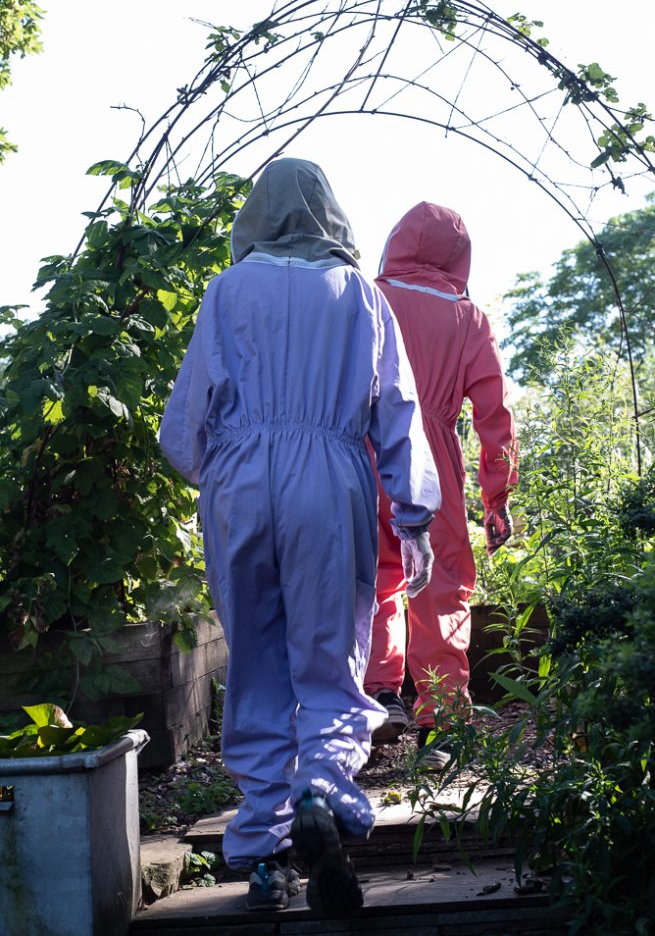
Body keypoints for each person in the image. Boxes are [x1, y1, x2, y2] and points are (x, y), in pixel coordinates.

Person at [158, 159, 441, 916]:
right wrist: (411, 518)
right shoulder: (360, 296)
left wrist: (214, 478)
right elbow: (397, 409)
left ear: (255, 214)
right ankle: (320, 787)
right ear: (330, 214)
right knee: (327, 656)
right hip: (328, 477)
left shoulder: (227, 292)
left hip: (242, 481)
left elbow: (186, 422)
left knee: (255, 658)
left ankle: (260, 848)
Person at [363, 202, 518, 766]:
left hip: (367, 450)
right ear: (459, 256)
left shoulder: (368, 296)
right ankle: (442, 726)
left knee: (376, 574)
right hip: (433, 458)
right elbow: (494, 412)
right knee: (442, 583)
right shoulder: (467, 315)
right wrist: (495, 498)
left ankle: (380, 695)